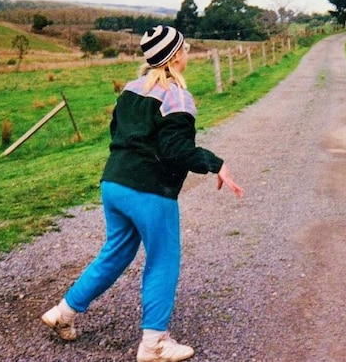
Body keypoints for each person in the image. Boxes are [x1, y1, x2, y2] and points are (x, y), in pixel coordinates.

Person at [42, 25, 244, 362]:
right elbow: (176, 149)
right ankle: (154, 344)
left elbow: (116, 133)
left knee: (116, 253)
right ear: (176, 56)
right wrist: (215, 164)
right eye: (185, 48)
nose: (188, 53)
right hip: (150, 191)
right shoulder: (177, 95)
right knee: (163, 259)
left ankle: (63, 312)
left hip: (114, 184)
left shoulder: (129, 91)